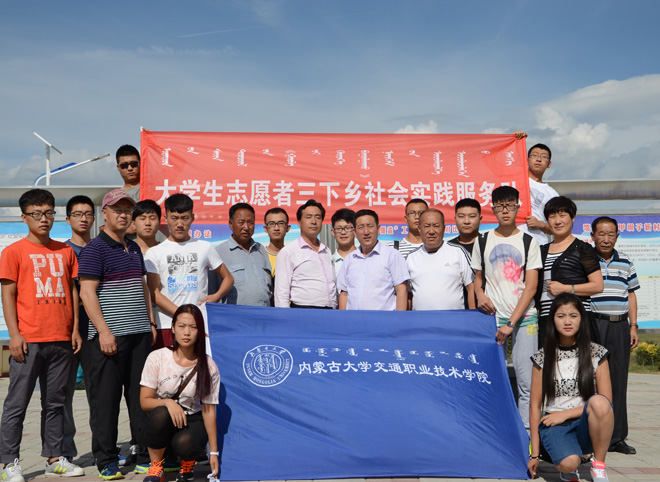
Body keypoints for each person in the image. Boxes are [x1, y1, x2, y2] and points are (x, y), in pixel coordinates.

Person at [0, 189, 84, 480]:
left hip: (61, 338)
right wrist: (15, 335)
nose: (44, 219)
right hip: (28, 340)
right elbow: (8, 295)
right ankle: (9, 463)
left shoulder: (65, 251)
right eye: (36, 214)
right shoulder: (13, 252)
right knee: (17, 404)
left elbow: (73, 291)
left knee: (55, 403)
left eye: (48, 213)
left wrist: (74, 329)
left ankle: (54, 458)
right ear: (24, 217)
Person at [79, 188, 156, 480]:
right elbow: (87, 293)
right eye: (117, 210)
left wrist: (149, 322)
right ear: (105, 213)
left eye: (127, 210)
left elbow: (142, 286)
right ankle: (107, 460)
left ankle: (144, 453)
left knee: (140, 399)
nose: (123, 215)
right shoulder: (94, 249)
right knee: (106, 401)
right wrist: (104, 332)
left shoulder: (134, 248)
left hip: (139, 335)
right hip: (109, 338)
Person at [471, 185, 541, 430]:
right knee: (491, 380)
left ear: (518, 207)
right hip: (492, 320)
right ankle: (494, 431)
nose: (505, 210)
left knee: (526, 384)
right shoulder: (482, 240)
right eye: (500, 206)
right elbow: (478, 278)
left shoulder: (529, 241)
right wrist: (480, 294)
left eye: (510, 205)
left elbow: (531, 287)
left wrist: (511, 323)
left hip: (524, 320)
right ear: (493, 209)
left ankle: (526, 436)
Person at [528, 293, 614, 482]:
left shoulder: (597, 353)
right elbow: (534, 406)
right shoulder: (542, 357)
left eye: (573, 316)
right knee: (569, 463)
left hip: (586, 424)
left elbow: (607, 403)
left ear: (582, 319)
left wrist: (566, 414)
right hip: (555, 425)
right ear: (553, 320)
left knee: (600, 402)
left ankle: (598, 465)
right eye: (561, 316)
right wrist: (534, 453)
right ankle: (569, 456)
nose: (567, 321)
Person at [139, 304, 220, 482]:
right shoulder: (157, 357)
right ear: (173, 328)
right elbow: (144, 401)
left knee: (185, 443)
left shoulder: (208, 365)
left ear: (200, 331)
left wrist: (214, 453)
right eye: (182, 326)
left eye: (193, 327)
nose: (187, 332)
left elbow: (209, 411)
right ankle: (156, 467)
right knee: (160, 414)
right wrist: (168, 402)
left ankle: (187, 463)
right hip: (165, 418)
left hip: (193, 418)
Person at [145, 193, 233, 350]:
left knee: (198, 364)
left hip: (197, 324)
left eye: (185, 218)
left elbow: (228, 278)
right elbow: (153, 293)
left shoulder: (205, 247)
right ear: (166, 218)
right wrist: (182, 314)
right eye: (174, 218)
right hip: (167, 324)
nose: (179, 224)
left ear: (192, 218)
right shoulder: (154, 252)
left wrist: (216, 296)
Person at [590, 216, 640, 455]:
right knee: (590, 380)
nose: (606, 238)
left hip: (620, 326)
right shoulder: (587, 260)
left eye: (611, 234)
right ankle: (590, 435)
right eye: (601, 233)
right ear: (592, 236)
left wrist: (633, 326)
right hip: (594, 325)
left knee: (619, 381)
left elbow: (631, 294)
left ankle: (617, 438)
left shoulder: (626, 261)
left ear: (617, 236)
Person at [537, 196, 604, 345]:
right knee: (549, 359)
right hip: (547, 321)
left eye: (562, 215)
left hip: (576, 320)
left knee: (581, 359)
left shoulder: (583, 249)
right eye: (552, 217)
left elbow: (598, 285)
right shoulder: (541, 251)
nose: (557, 221)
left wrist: (566, 289)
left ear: (572, 218)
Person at [62, 195, 95, 463]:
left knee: (99, 393)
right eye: (77, 214)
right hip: (68, 331)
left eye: (88, 214)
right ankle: (64, 451)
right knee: (63, 394)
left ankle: (103, 449)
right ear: (68, 219)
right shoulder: (61, 252)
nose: (83, 219)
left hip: (97, 330)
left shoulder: (101, 248)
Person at [337, 209, 409, 311]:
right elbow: (344, 293)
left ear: (378, 229)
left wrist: (399, 318)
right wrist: (343, 318)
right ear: (355, 232)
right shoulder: (349, 259)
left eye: (370, 226)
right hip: (353, 319)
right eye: (361, 227)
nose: (366, 232)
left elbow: (401, 290)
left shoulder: (392, 255)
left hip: (383, 319)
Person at [407, 209, 475, 310]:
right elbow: (407, 294)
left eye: (436, 226)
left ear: (443, 228)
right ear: (419, 229)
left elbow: (471, 287)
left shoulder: (458, 252)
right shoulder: (411, 258)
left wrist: (473, 315)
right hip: (421, 319)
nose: (431, 231)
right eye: (427, 226)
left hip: (454, 318)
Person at [274, 199, 337, 309]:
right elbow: (281, 294)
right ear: (299, 222)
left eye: (318, 217)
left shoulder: (326, 250)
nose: (314, 221)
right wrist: (284, 316)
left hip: (330, 311)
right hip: (303, 311)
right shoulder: (288, 252)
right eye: (308, 217)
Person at [213, 203, 272, 306]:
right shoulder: (219, 252)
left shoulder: (261, 249)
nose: (246, 227)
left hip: (265, 313)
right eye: (241, 222)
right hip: (235, 314)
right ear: (231, 224)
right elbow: (212, 292)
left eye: (250, 222)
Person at [513, 131, 559, 245]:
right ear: (527, 160)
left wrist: (540, 224)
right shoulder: (515, 179)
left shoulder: (552, 194)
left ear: (549, 164)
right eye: (534, 155)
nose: (538, 159)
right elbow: (506, 160)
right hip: (512, 240)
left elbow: (556, 227)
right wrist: (516, 140)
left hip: (538, 243)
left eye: (543, 157)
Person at [263, 207, 291, 275]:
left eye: (281, 223)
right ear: (265, 229)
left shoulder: (292, 255)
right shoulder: (259, 255)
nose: (276, 228)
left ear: (288, 228)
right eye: (271, 224)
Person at [330, 208, 357, 277]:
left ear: (355, 231)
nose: (343, 232)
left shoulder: (364, 259)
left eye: (347, 228)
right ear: (333, 232)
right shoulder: (329, 262)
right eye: (338, 228)